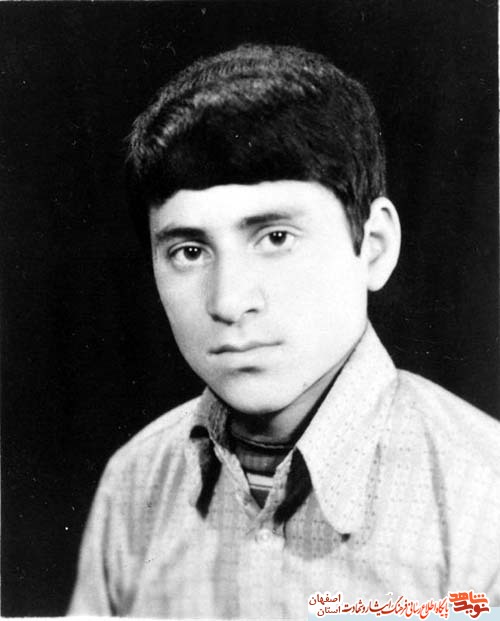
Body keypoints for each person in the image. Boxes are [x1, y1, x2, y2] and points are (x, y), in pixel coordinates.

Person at [68, 43, 500, 618]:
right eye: (189, 250)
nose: (229, 302)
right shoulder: (134, 483)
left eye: (276, 238)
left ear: (373, 247)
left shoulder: (485, 496)